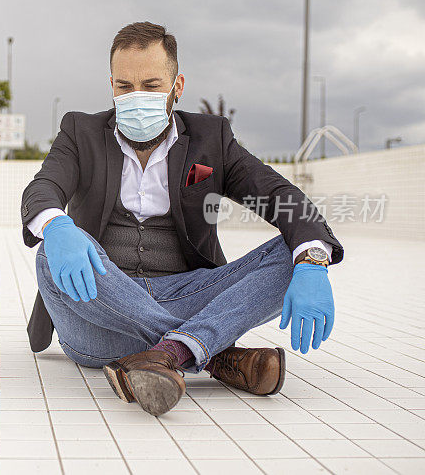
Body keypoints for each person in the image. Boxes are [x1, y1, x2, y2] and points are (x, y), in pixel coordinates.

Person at [19, 21, 343, 417]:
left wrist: (312, 263)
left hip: (186, 292)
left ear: (178, 86)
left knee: (296, 249)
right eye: (124, 86)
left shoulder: (211, 138)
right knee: (51, 251)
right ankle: (213, 353)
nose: (136, 96)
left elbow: (281, 197)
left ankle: (171, 351)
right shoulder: (80, 131)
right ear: (112, 86)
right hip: (98, 312)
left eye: (151, 85)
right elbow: (43, 189)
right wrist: (57, 226)